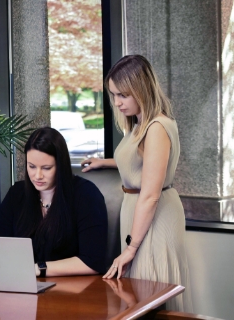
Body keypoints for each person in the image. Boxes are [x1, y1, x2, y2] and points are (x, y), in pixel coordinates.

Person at [81, 55, 192, 311]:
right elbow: (142, 163)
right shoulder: (142, 123)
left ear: (141, 90)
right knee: (142, 296)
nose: (117, 103)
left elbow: (151, 194)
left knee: (152, 293)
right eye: (113, 95)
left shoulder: (156, 127)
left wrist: (131, 248)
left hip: (154, 215)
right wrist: (105, 162)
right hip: (140, 213)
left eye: (123, 95)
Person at [0, 127, 107, 277]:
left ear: (61, 166)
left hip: (74, 290)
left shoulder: (86, 195)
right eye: (31, 166)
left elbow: (93, 261)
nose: (37, 175)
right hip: (23, 284)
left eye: (46, 168)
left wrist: (39, 269)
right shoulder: (17, 193)